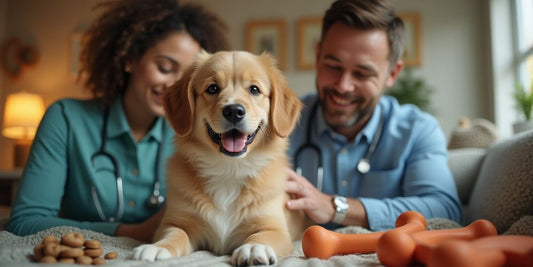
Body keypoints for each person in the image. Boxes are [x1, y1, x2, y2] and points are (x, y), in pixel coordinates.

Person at [8, 0, 229, 242]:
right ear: (130, 59)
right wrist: (129, 233)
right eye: (164, 67)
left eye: (187, 77)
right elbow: (25, 222)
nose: (174, 87)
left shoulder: (200, 133)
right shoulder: (66, 119)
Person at [285, 0, 461, 231]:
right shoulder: (280, 121)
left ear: (392, 74)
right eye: (333, 66)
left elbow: (443, 208)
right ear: (318, 56)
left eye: (362, 73)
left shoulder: (417, 130)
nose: (343, 86)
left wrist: (335, 207)